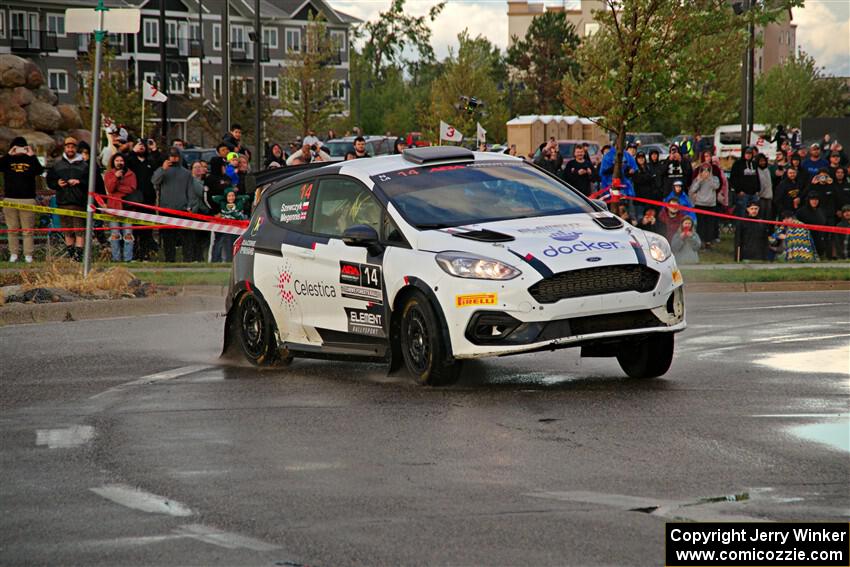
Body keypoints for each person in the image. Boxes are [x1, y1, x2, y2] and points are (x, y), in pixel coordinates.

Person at [0, 137, 44, 263]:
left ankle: (28, 255)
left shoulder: (30, 160)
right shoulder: (7, 161)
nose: (19, 149)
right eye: (16, 147)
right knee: (12, 229)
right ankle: (13, 254)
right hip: (10, 199)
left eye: (22, 147)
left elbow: (40, 171)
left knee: (28, 230)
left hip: (28, 199)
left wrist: (32, 155)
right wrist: (9, 154)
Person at [46, 137, 88, 261]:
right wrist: (57, 183)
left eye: (73, 147)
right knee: (67, 231)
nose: (70, 149)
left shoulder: (84, 165)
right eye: (68, 146)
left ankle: (79, 258)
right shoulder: (57, 164)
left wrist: (79, 182)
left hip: (79, 202)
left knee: (80, 230)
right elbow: (49, 181)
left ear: (76, 149)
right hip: (62, 202)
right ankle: (71, 255)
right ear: (65, 148)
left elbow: (90, 182)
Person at [152, 147, 193, 262]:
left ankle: (187, 259)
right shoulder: (163, 171)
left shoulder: (186, 173)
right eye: (171, 156)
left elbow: (190, 191)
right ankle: (169, 259)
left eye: (176, 156)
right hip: (166, 209)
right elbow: (154, 181)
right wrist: (162, 169)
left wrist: (190, 206)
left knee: (186, 238)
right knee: (168, 237)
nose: (174, 158)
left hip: (183, 209)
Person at [125, 139, 159, 260]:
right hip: (133, 200)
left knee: (146, 230)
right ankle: (133, 255)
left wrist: (155, 150)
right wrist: (132, 152)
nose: (141, 147)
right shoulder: (131, 161)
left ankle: (145, 255)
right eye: (138, 145)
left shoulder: (150, 161)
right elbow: (123, 163)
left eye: (143, 145)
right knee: (133, 230)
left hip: (148, 201)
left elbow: (159, 165)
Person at [103, 153, 138, 262]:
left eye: (121, 160)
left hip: (128, 208)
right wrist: (116, 178)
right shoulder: (109, 174)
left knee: (128, 234)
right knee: (115, 235)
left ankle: (128, 259)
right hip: (113, 208)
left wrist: (118, 189)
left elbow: (131, 189)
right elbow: (110, 188)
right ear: (113, 162)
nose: (119, 163)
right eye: (117, 160)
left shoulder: (131, 174)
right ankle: (116, 258)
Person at [211, 188, 250, 262]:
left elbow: (247, 197)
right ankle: (216, 260)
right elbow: (214, 198)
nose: (231, 198)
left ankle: (236, 260)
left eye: (233, 196)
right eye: (229, 196)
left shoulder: (239, 203)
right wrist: (224, 197)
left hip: (237, 228)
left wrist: (237, 197)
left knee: (236, 244)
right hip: (224, 228)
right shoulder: (223, 203)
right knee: (221, 243)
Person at [688, 164, 720, 246]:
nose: (705, 172)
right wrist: (699, 180)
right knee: (700, 224)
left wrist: (709, 178)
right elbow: (692, 190)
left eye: (707, 170)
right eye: (703, 170)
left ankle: (708, 241)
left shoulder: (715, 179)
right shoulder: (697, 179)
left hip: (711, 204)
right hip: (700, 204)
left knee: (710, 224)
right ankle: (700, 241)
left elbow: (716, 186)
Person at [795, 192, 829, 258]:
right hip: (806, 240)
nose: (814, 201)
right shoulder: (801, 212)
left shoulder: (821, 211)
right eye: (812, 199)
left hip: (820, 239)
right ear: (808, 200)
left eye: (816, 200)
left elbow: (825, 224)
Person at [734, 197, 769, 261]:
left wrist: (765, 257)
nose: (754, 211)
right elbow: (738, 240)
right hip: (746, 254)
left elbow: (765, 241)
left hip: (759, 255)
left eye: (756, 209)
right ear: (747, 209)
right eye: (752, 209)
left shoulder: (762, 222)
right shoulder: (742, 222)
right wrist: (737, 258)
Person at [730, 146, 760, 216]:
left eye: (750, 153)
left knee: (753, 213)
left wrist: (758, 189)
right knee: (742, 212)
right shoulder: (737, 164)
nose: (748, 155)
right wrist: (738, 190)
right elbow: (733, 178)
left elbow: (757, 177)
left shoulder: (754, 164)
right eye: (747, 153)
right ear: (743, 153)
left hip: (753, 193)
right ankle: (741, 226)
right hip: (743, 194)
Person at [755, 153, 774, 220]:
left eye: (764, 161)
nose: (763, 163)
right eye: (761, 161)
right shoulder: (756, 170)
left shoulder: (767, 170)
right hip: (760, 197)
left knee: (768, 216)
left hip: (769, 196)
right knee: (761, 216)